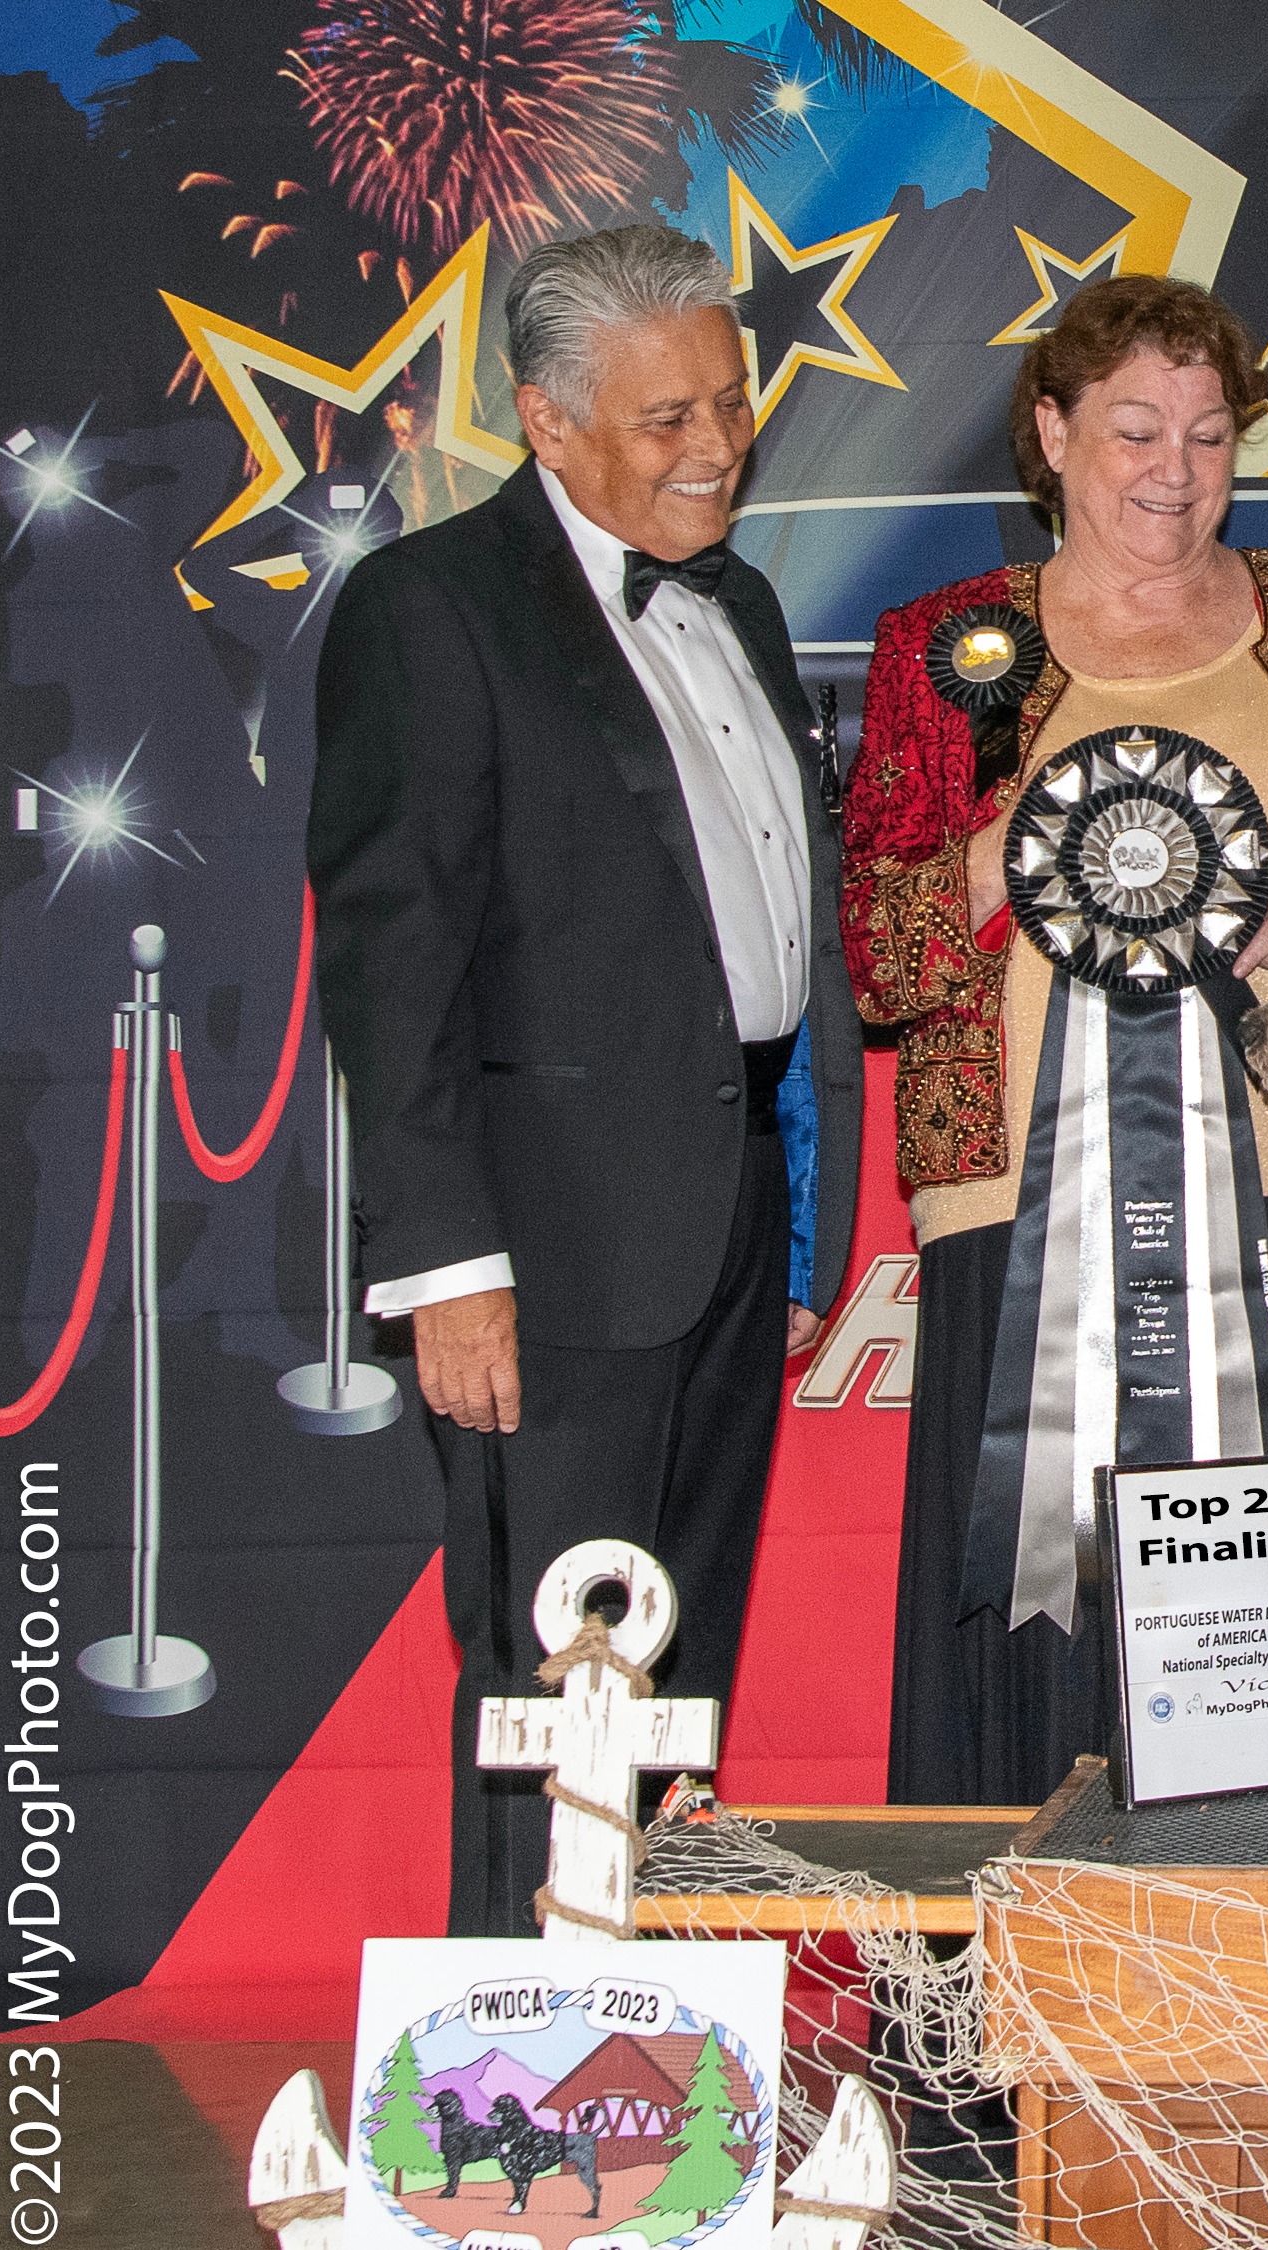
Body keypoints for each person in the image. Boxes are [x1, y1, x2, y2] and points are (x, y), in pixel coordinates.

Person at [308, 224, 861, 1934]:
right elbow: (390, 959)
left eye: (731, 401)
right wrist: (446, 1265)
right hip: (545, 1255)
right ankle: (509, 2062)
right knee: (547, 1679)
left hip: (731, 1216)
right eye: (664, 418)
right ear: (546, 422)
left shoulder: (739, 600)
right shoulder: (429, 608)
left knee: (683, 1668)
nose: (717, 445)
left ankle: (666, 2037)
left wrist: (796, 1217)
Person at [843, 274, 1268, 1808]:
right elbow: (879, 962)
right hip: (1012, 1217)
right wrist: (1018, 855)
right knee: (1034, 1616)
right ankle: (1021, 1943)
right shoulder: (951, 647)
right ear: (1050, 435)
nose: (1175, 469)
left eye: (1208, 433)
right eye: (1133, 430)